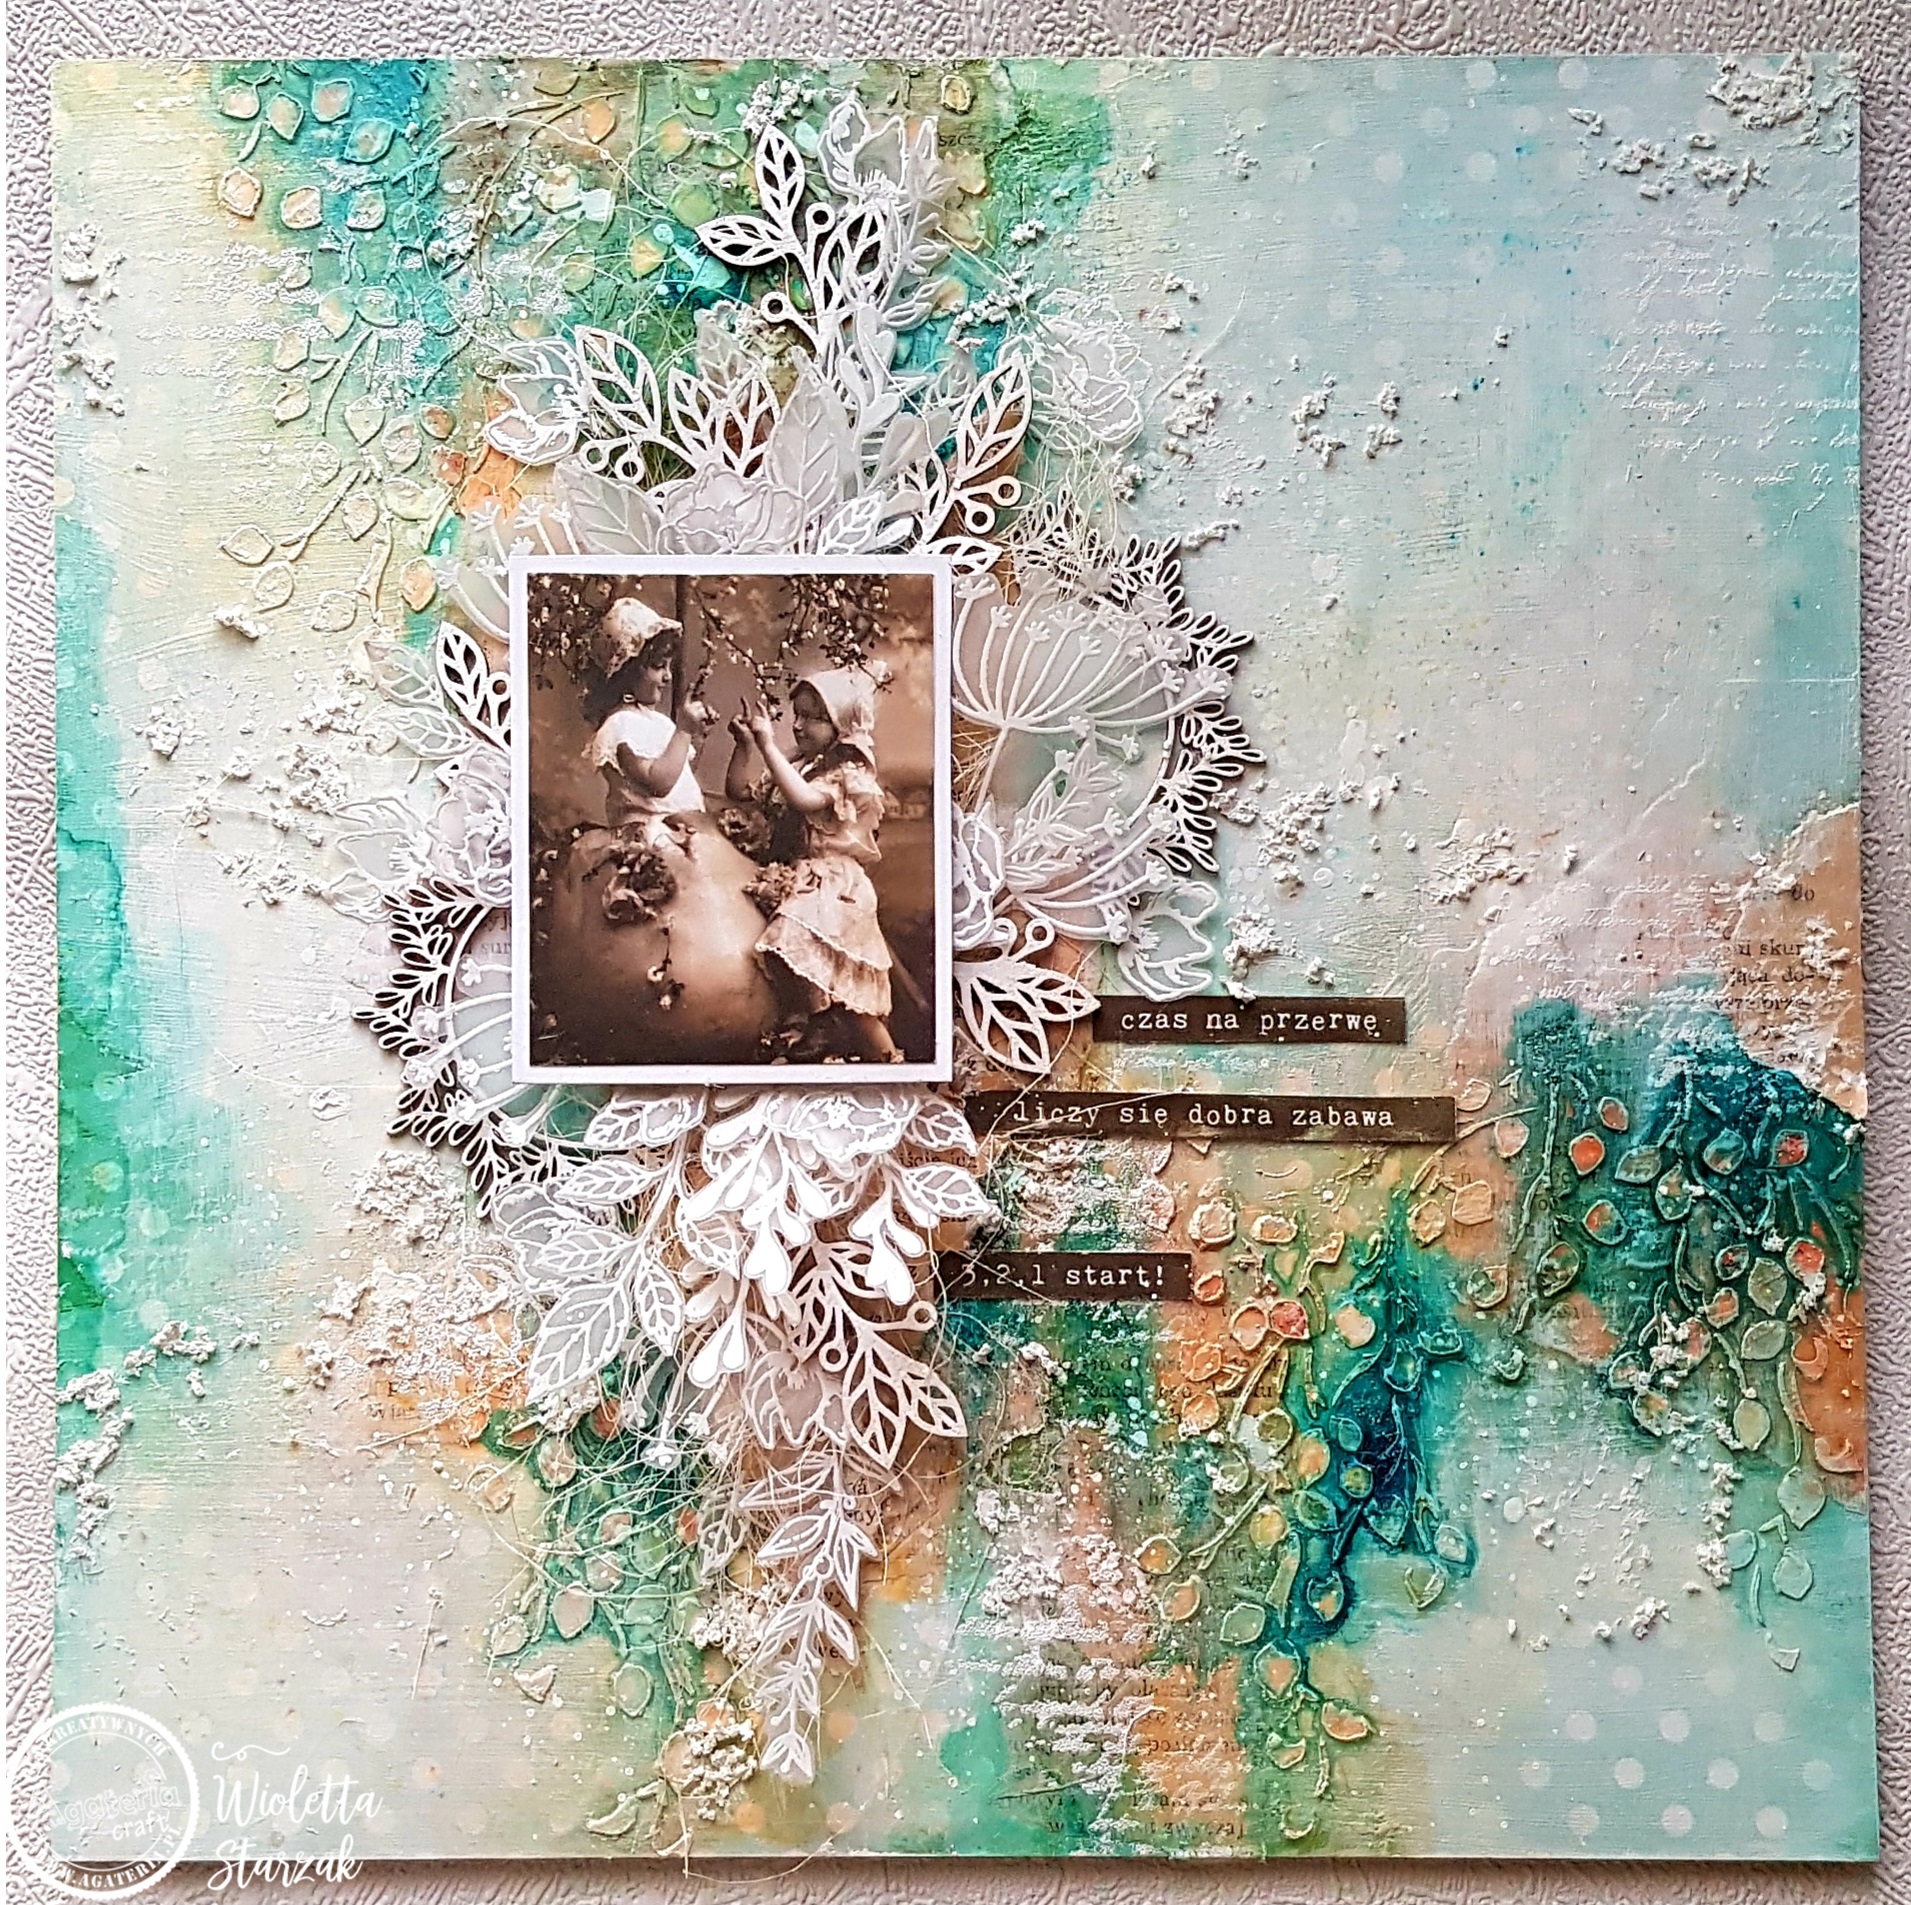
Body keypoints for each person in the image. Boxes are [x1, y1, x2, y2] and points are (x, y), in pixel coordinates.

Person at [724, 667, 899, 1062]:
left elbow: (803, 799)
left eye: (812, 717)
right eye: (797, 715)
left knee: (851, 999)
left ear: (840, 727)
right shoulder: (801, 764)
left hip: (836, 886)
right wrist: (746, 746)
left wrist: (769, 745)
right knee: (810, 971)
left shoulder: (846, 775)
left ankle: (891, 1065)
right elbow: (739, 793)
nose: (798, 726)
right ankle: (817, 1025)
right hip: (807, 880)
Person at [585, 597, 715, 844]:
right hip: (652, 836)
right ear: (627, 673)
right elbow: (658, 785)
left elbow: (678, 776)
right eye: (658, 666)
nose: (668, 676)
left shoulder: (660, 722)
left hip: (682, 829)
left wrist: (695, 735)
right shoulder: (619, 726)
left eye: (669, 667)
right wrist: (684, 730)